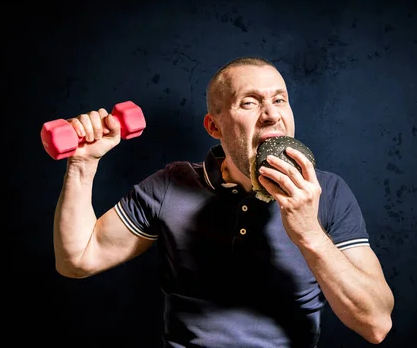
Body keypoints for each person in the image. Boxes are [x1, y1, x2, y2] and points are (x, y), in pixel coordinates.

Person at [53, 56, 395, 347]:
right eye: (250, 102)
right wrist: (83, 165)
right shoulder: (172, 184)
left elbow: (376, 324)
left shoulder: (329, 192)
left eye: (280, 100)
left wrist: (308, 232)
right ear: (214, 126)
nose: (271, 114)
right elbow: (78, 260)